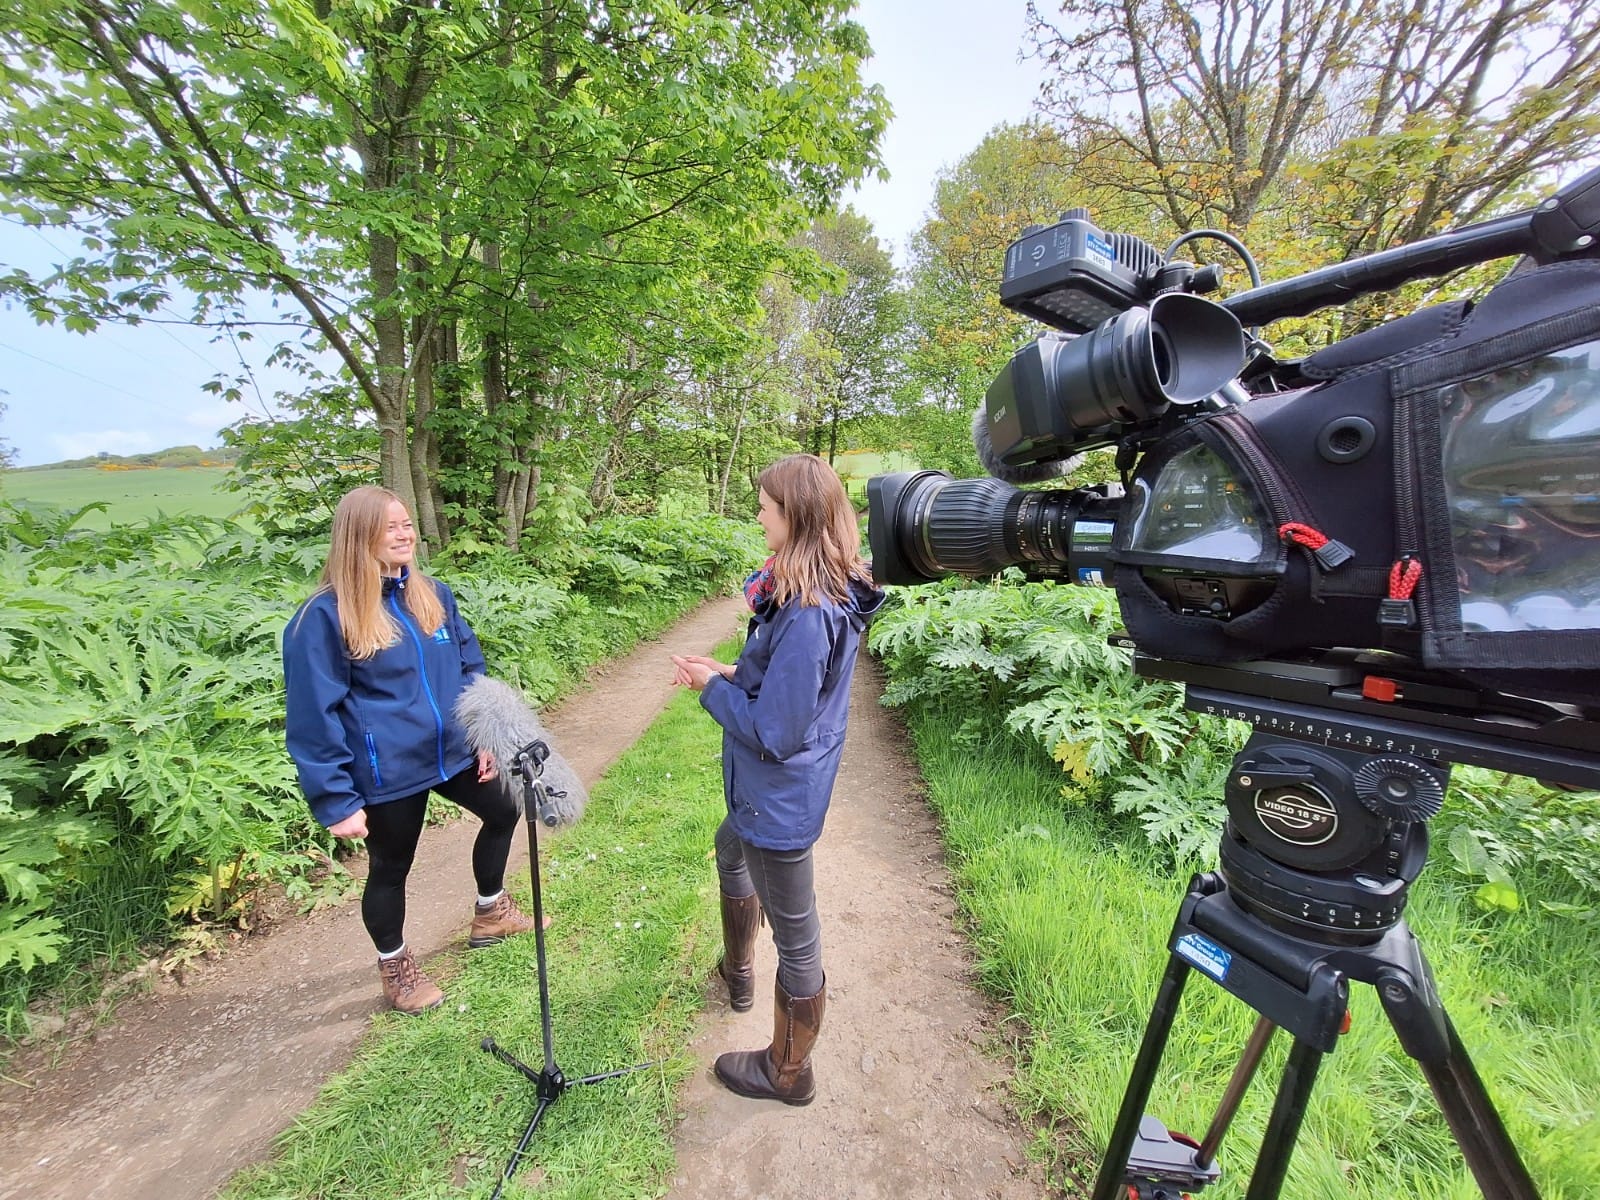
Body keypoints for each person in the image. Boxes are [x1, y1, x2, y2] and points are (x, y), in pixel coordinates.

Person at [671, 454, 884, 1105]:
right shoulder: (802, 591)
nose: (758, 513)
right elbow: (793, 693)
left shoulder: (810, 611)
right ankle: (737, 972)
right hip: (762, 799)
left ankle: (787, 1072)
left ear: (794, 515)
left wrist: (711, 689)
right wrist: (735, 676)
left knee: (798, 938)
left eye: (765, 505)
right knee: (729, 845)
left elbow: (777, 732)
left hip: (780, 802)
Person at [282, 486, 541, 1015]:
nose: (406, 534)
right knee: (392, 865)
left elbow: (470, 666)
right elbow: (313, 714)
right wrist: (335, 799)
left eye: (408, 524)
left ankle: (490, 911)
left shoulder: (432, 595)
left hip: (449, 750)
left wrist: (482, 732)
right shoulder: (324, 618)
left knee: (506, 807)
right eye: (391, 526)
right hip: (386, 769)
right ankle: (394, 965)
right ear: (359, 536)